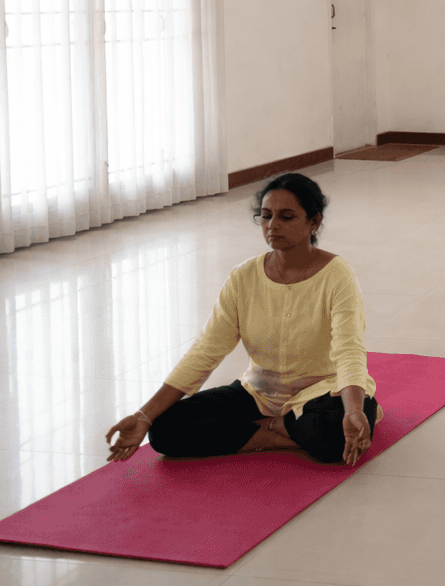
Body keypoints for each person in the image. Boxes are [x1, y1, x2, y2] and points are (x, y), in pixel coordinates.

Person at [103, 173, 380, 467]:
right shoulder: (243, 277)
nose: (273, 225)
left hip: (324, 391)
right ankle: (279, 433)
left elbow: (349, 348)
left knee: (340, 433)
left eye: (286, 217)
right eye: (265, 216)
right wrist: (144, 416)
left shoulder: (338, 275)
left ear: (314, 222)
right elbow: (206, 350)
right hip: (259, 395)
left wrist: (353, 409)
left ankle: (278, 428)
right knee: (164, 431)